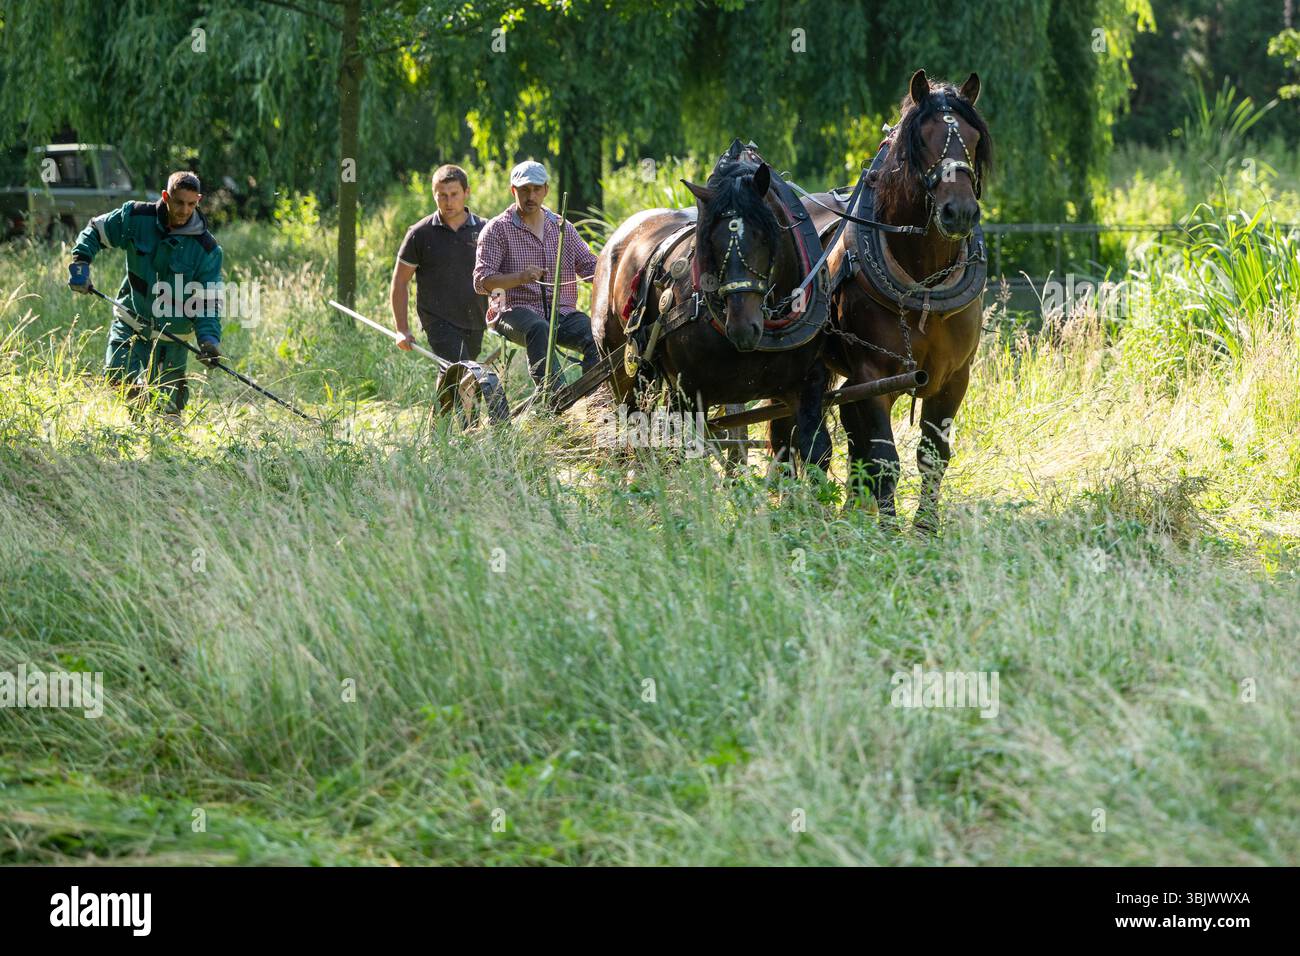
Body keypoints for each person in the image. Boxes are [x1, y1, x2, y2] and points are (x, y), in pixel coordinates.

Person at [67, 170, 223, 417]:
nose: (184, 210)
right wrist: (80, 266)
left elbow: (208, 302)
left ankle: (162, 445)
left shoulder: (207, 249)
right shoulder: (136, 217)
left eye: (191, 204)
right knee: (119, 379)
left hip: (173, 336)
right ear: (165, 196)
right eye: (179, 202)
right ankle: (139, 425)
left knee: (169, 412)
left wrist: (209, 341)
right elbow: (95, 231)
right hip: (131, 320)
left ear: (199, 201)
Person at [473, 159, 599, 401]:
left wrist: (618, 278)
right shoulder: (497, 229)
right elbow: (482, 281)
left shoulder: (562, 227)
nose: (531, 196)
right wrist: (520, 277)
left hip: (560, 312)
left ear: (546, 190)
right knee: (538, 328)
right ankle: (558, 400)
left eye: (536, 189)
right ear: (513, 191)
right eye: (524, 190)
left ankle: (591, 398)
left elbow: (589, 266)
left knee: (595, 334)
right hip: (512, 311)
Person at [390, 164, 487, 362]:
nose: (448, 202)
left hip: (475, 318)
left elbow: (498, 275)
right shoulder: (420, 234)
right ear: (433, 194)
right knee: (461, 367)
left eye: (454, 194)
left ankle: (444, 393)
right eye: (442, 195)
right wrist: (401, 329)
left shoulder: (485, 229)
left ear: (466, 192)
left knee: (454, 376)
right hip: (437, 320)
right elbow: (400, 282)